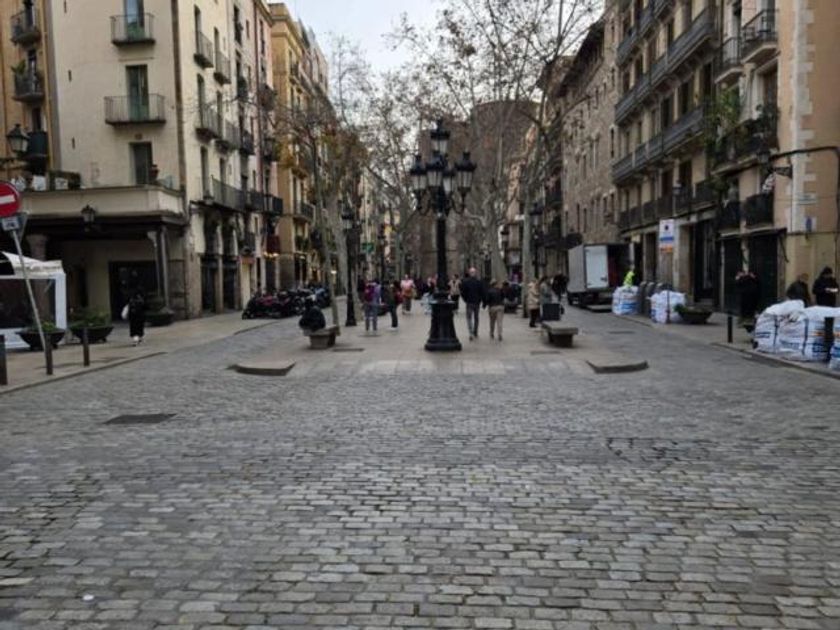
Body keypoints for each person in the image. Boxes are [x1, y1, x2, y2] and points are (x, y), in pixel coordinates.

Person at [460, 267, 485, 340]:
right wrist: (481, 300)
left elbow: (462, 292)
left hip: (469, 302)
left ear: (469, 273)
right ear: (475, 273)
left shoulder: (466, 282)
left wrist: (465, 299)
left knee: (469, 318)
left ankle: (470, 333)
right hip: (476, 302)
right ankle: (475, 332)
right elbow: (482, 292)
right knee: (476, 318)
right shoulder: (479, 282)